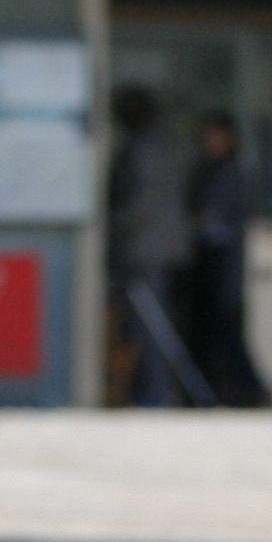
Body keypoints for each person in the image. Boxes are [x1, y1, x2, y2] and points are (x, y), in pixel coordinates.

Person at [102, 83, 206, 406]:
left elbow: (138, 204)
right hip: (165, 248)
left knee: (149, 327)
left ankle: (155, 393)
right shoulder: (168, 145)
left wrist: (108, 227)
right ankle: (150, 390)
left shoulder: (141, 151)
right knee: (149, 325)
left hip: (142, 249)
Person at [182, 111, 264, 407]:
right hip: (210, 260)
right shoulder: (209, 168)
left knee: (226, 327)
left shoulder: (231, 170)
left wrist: (194, 225)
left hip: (224, 260)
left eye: (214, 136)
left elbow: (213, 217)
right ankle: (224, 390)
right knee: (214, 329)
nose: (209, 142)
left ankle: (249, 391)